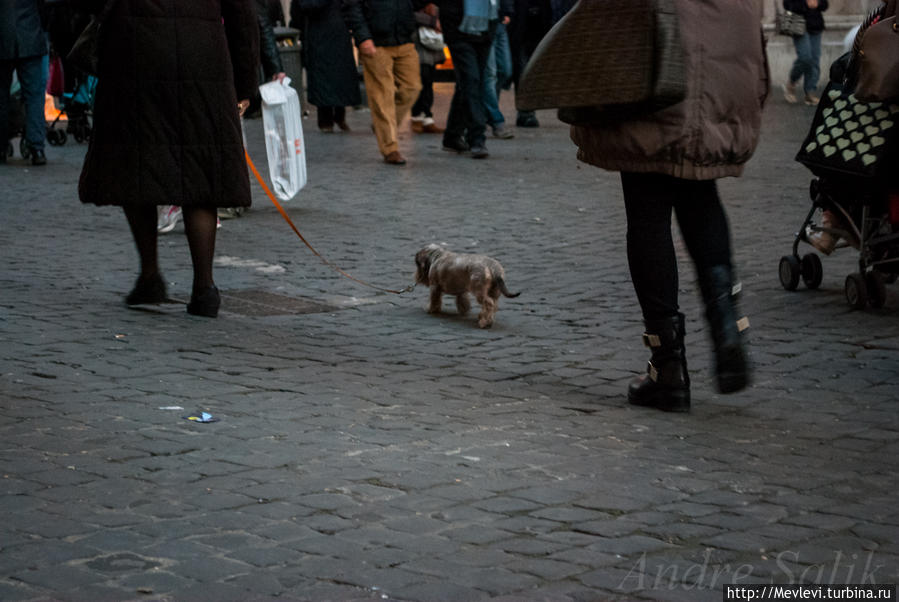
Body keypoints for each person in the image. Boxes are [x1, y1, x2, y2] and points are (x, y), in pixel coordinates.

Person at [568, 0, 768, 412]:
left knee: (647, 210)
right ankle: (727, 327)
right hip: (718, 73)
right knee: (700, 193)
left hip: (656, 72)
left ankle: (667, 367)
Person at [78, 0, 259, 318]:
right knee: (202, 168)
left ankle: (150, 274)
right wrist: (245, 82)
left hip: (136, 51)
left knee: (136, 162)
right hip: (202, 54)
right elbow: (242, 14)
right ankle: (204, 286)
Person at [342, 0, 427, 165]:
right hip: (376, 42)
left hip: (404, 39)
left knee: (412, 87)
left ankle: (382, 125)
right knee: (382, 95)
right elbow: (352, 7)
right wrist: (363, 37)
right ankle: (390, 148)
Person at [435, 0, 514, 159]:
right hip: (458, 30)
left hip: (485, 29)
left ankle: (452, 135)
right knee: (472, 81)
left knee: (468, 83)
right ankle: (477, 138)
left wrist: (503, 13)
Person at [293, 0, 361, 132]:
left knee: (340, 78)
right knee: (323, 80)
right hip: (319, 37)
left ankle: (339, 116)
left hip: (338, 35)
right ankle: (326, 121)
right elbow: (304, 7)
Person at [1, 0, 49, 166]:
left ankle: (1, 145)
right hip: (30, 36)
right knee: (34, 96)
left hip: (3, 36)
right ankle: (36, 147)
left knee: (1, 96)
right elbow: (43, 7)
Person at [783, 0, 828, 106]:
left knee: (815, 60)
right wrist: (805, 4)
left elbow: (825, 5)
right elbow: (787, 4)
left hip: (816, 25)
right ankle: (792, 83)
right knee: (805, 57)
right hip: (799, 25)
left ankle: (809, 93)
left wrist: (818, 4)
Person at [410, 4, 446, 135]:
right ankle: (418, 115)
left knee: (428, 79)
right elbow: (407, 12)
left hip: (431, 38)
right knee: (422, 77)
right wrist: (432, 21)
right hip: (416, 39)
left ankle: (426, 117)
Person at [482, 13, 514, 140]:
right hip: (484, 22)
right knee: (490, 75)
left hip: (499, 21)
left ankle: (485, 112)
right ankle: (496, 120)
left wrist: (507, 10)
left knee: (505, 71)